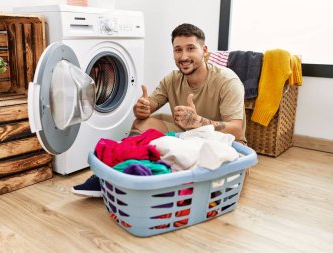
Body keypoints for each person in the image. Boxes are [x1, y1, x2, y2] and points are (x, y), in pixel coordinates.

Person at [72, 23, 246, 197]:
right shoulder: (172, 79)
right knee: (143, 123)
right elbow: (149, 106)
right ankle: (118, 172)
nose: (184, 56)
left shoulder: (227, 80)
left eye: (190, 48)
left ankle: (136, 180)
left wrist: (198, 122)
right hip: (185, 135)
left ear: (204, 50)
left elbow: (236, 130)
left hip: (221, 142)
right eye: (178, 50)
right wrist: (140, 108)